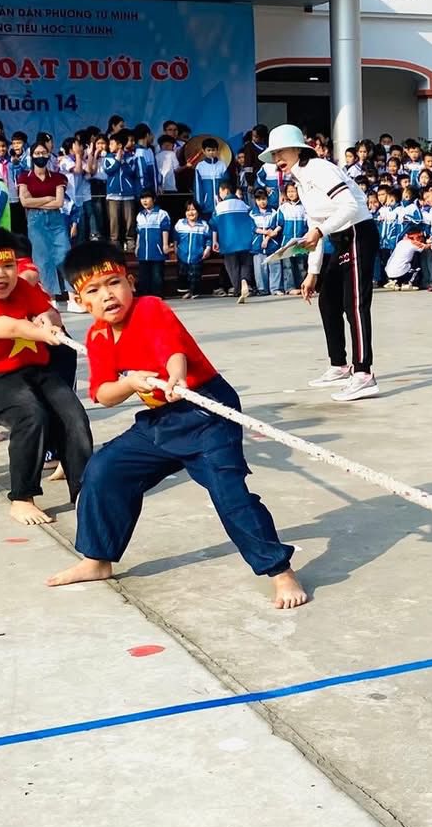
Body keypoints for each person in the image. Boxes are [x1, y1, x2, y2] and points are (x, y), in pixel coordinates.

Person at [46, 242, 308, 610]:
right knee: (104, 470)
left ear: (131, 282)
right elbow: (103, 394)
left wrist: (176, 376)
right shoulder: (98, 336)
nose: (107, 295)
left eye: (114, 282)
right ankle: (97, 559)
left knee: (229, 494)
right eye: (94, 290)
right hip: (162, 420)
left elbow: (172, 350)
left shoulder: (150, 309)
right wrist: (129, 383)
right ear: (80, 301)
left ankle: (280, 571)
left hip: (208, 413)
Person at [0, 226, 89, 525]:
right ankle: (22, 498)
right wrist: (40, 331)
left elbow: (49, 312)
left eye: (8, 265)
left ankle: (84, 490)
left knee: (73, 416)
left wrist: (48, 319)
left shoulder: (23, 287)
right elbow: (11, 327)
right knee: (31, 417)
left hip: (38, 369)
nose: (2, 274)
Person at [265, 124, 380, 401]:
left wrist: (319, 231)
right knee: (327, 301)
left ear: (298, 149)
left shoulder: (319, 169)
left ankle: (364, 374)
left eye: (281, 151)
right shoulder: (300, 182)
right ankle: (339, 365)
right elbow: (314, 226)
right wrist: (312, 272)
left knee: (355, 304)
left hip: (358, 233)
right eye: (274, 154)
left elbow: (350, 206)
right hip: (339, 238)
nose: (278, 158)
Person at [17, 140, 72, 302]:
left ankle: (73, 297)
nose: (40, 156)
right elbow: (24, 202)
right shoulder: (24, 177)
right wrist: (48, 198)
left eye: (43, 153)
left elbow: (59, 202)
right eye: (37, 153)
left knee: (64, 254)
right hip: (35, 220)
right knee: (42, 259)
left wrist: (36, 201)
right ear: (31, 156)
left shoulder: (58, 177)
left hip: (55, 219)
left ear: (48, 155)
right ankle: (49, 298)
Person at [211, 180, 257, 302]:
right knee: (245, 263)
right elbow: (252, 221)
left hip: (228, 242)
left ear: (225, 190)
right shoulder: (243, 204)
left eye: (220, 191)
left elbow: (214, 225)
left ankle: (237, 289)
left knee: (232, 266)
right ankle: (244, 281)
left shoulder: (219, 207)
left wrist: (215, 241)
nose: (219, 194)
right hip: (245, 241)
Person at [134, 189, 170, 298]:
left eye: (147, 198)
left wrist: (165, 245)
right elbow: (139, 232)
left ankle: (157, 295)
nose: (144, 201)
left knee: (157, 275)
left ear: (154, 199)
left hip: (156, 250)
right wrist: (137, 246)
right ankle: (145, 296)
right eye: (142, 198)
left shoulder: (162, 214)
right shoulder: (140, 215)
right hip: (143, 251)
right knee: (143, 275)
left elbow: (165, 230)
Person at [173, 199, 212, 297]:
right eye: (188, 210)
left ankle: (194, 292)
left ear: (198, 211)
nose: (191, 212)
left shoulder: (203, 225)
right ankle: (186, 291)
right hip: (182, 255)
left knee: (195, 275)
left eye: (193, 210)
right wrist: (175, 248)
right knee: (183, 274)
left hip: (197, 255)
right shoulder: (180, 223)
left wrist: (207, 249)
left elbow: (209, 239)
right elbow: (175, 237)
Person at [251, 186, 284, 297]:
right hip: (258, 243)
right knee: (260, 268)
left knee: (275, 265)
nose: (262, 202)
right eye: (259, 199)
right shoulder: (252, 213)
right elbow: (252, 227)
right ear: (255, 200)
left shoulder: (273, 212)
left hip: (272, 243)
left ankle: (275, 288)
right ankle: (262, 289)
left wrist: (268, 237)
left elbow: (276, 225)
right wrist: (264, 232)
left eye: (264, 199)